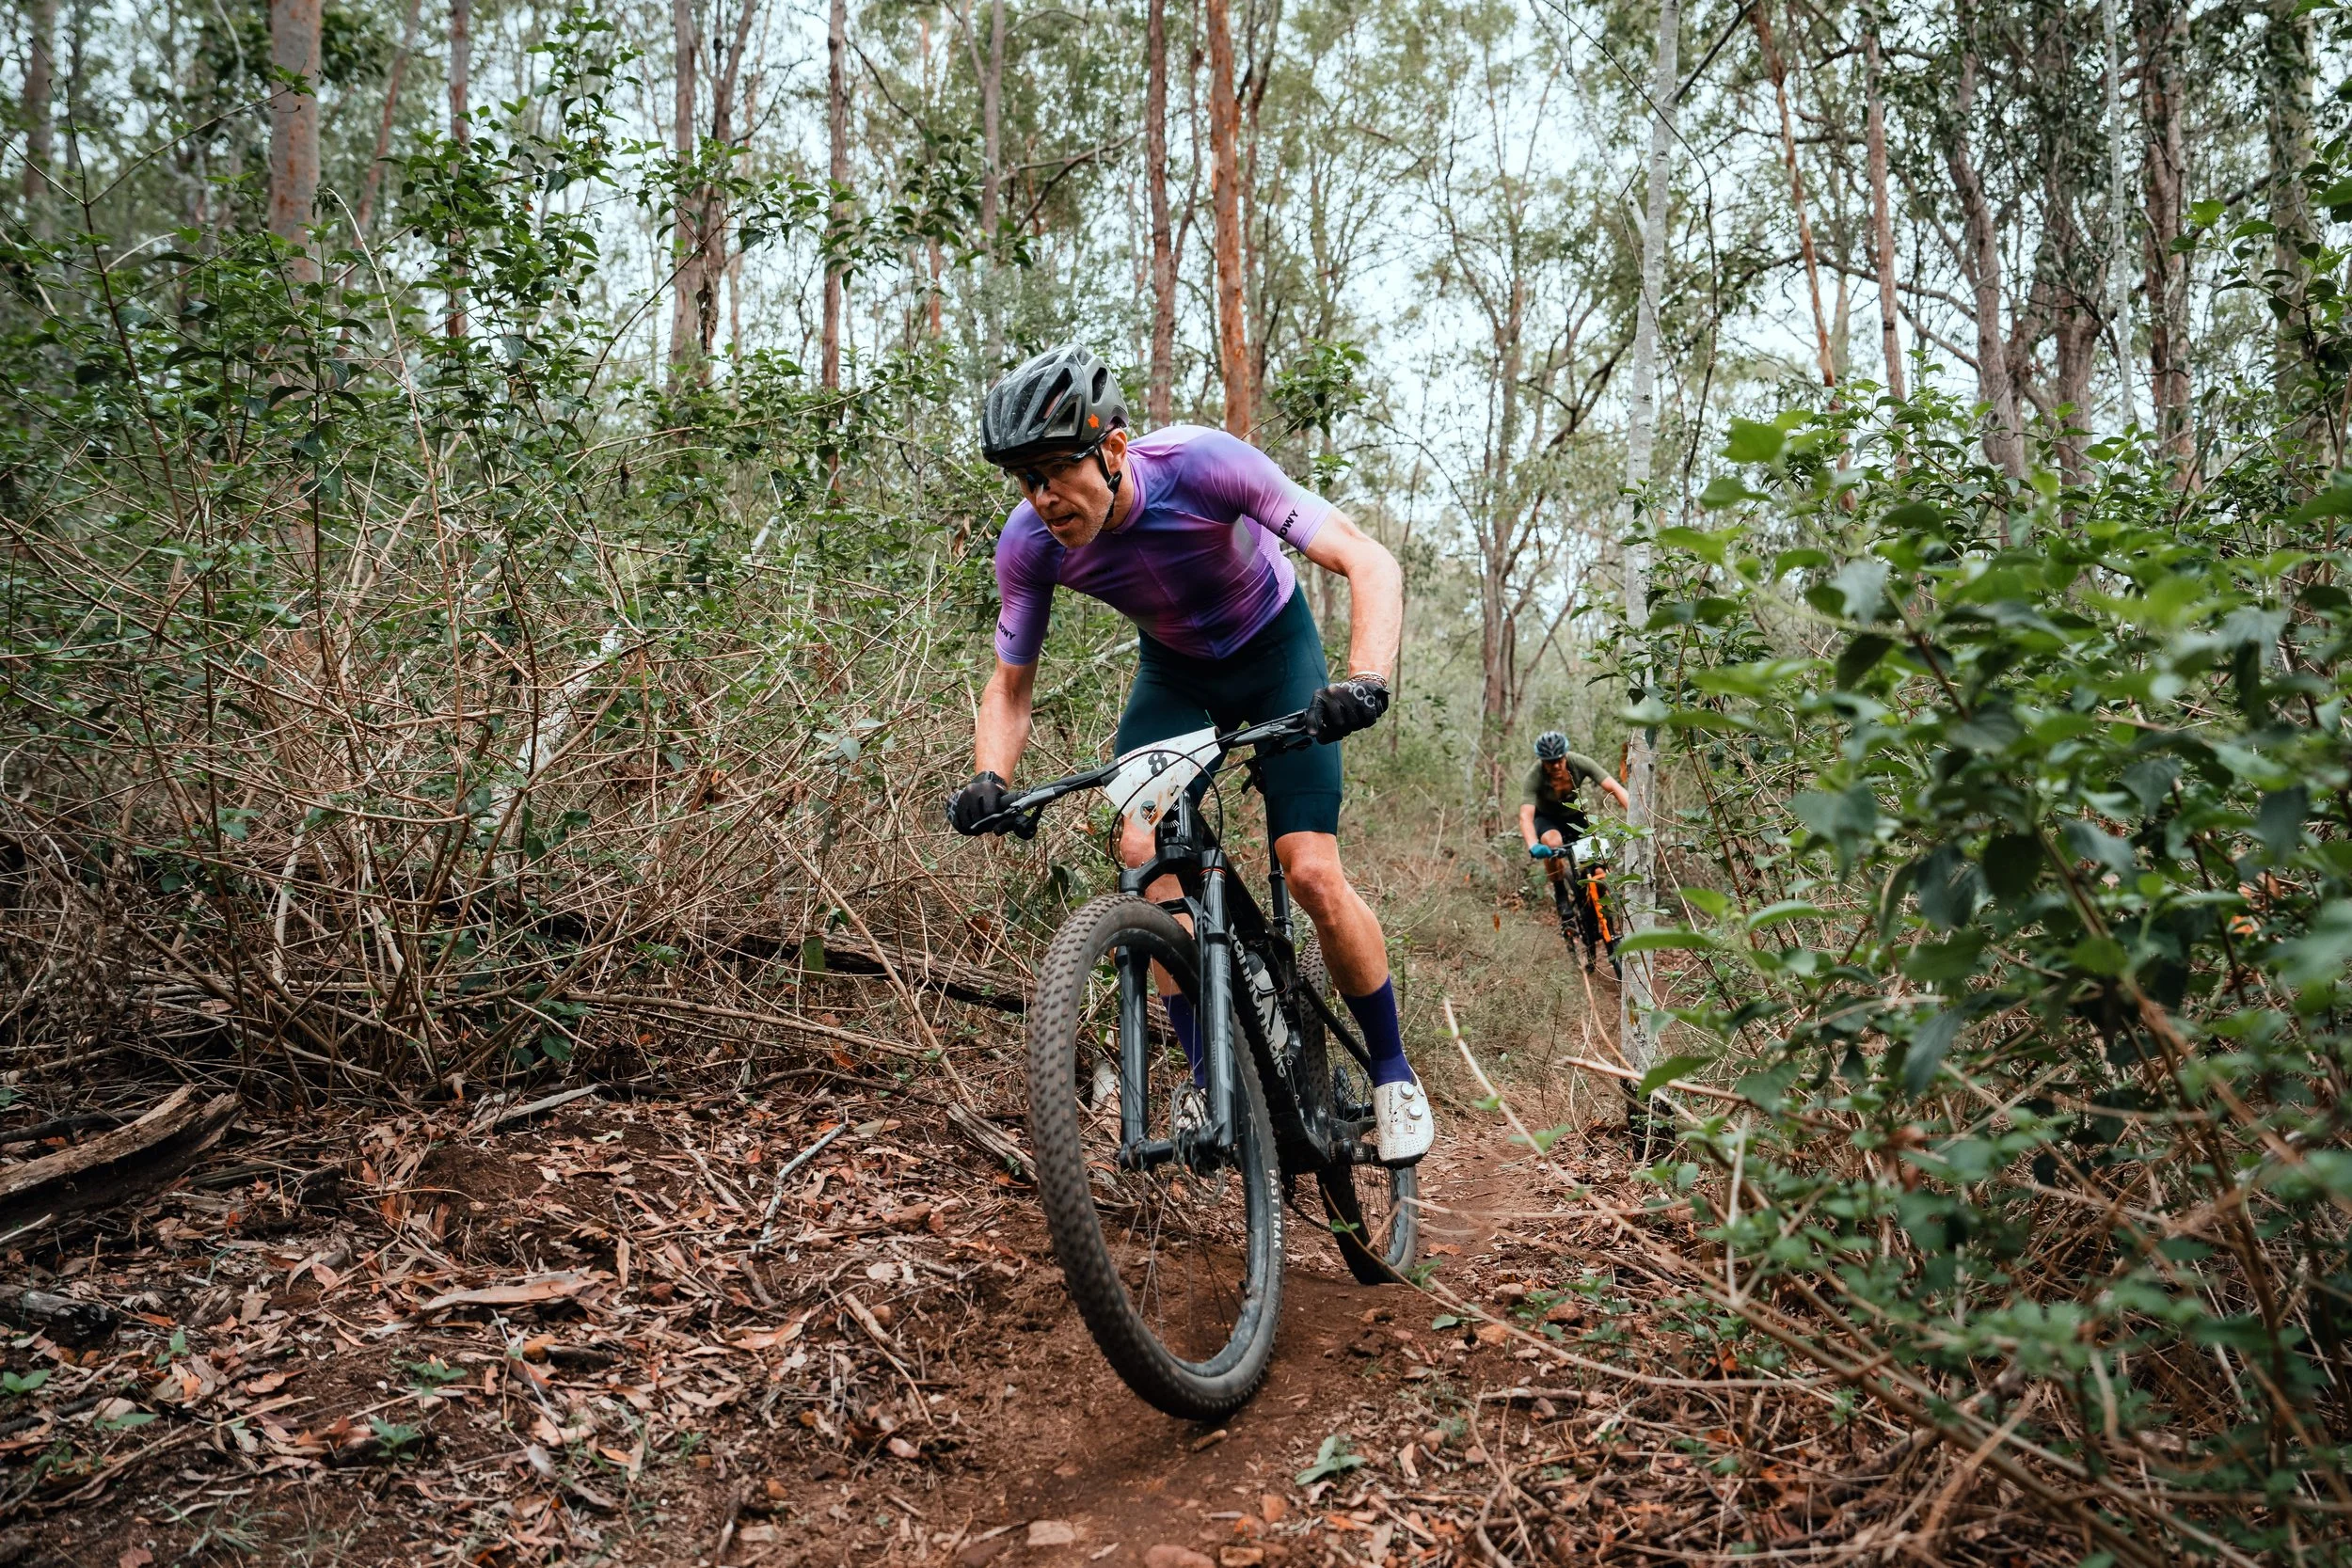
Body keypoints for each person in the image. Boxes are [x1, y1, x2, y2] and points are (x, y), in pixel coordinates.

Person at [944, 344, 1433, 1165]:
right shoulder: (1030, 543)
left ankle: (1392, 1071)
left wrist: (1366, 680)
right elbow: (1010, 686)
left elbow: (1366, 557)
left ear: (1115, 448)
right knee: (1144, 852)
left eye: (1056, 471)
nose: (1043, 498)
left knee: (1310, 868)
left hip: (1277, 654)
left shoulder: (1204, 465)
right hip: (1176, 674)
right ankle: (1214, 1079)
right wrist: (992, 777)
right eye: (1024, 480)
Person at [1519, 730, 1631, 974]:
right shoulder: (1535, 775)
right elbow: (1526, 815)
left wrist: (1635, 821)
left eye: (1559, 759)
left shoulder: (1579, 763)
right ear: (1542, 761)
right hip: (1547, 821)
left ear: (1565, 755)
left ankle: (1606, 920)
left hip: (1577, 817)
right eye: (1550, 762)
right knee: (1553, 842)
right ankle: (1561, 892)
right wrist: (1532, 845)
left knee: (1600, 868)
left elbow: (1613, 786)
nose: (1556, 765)